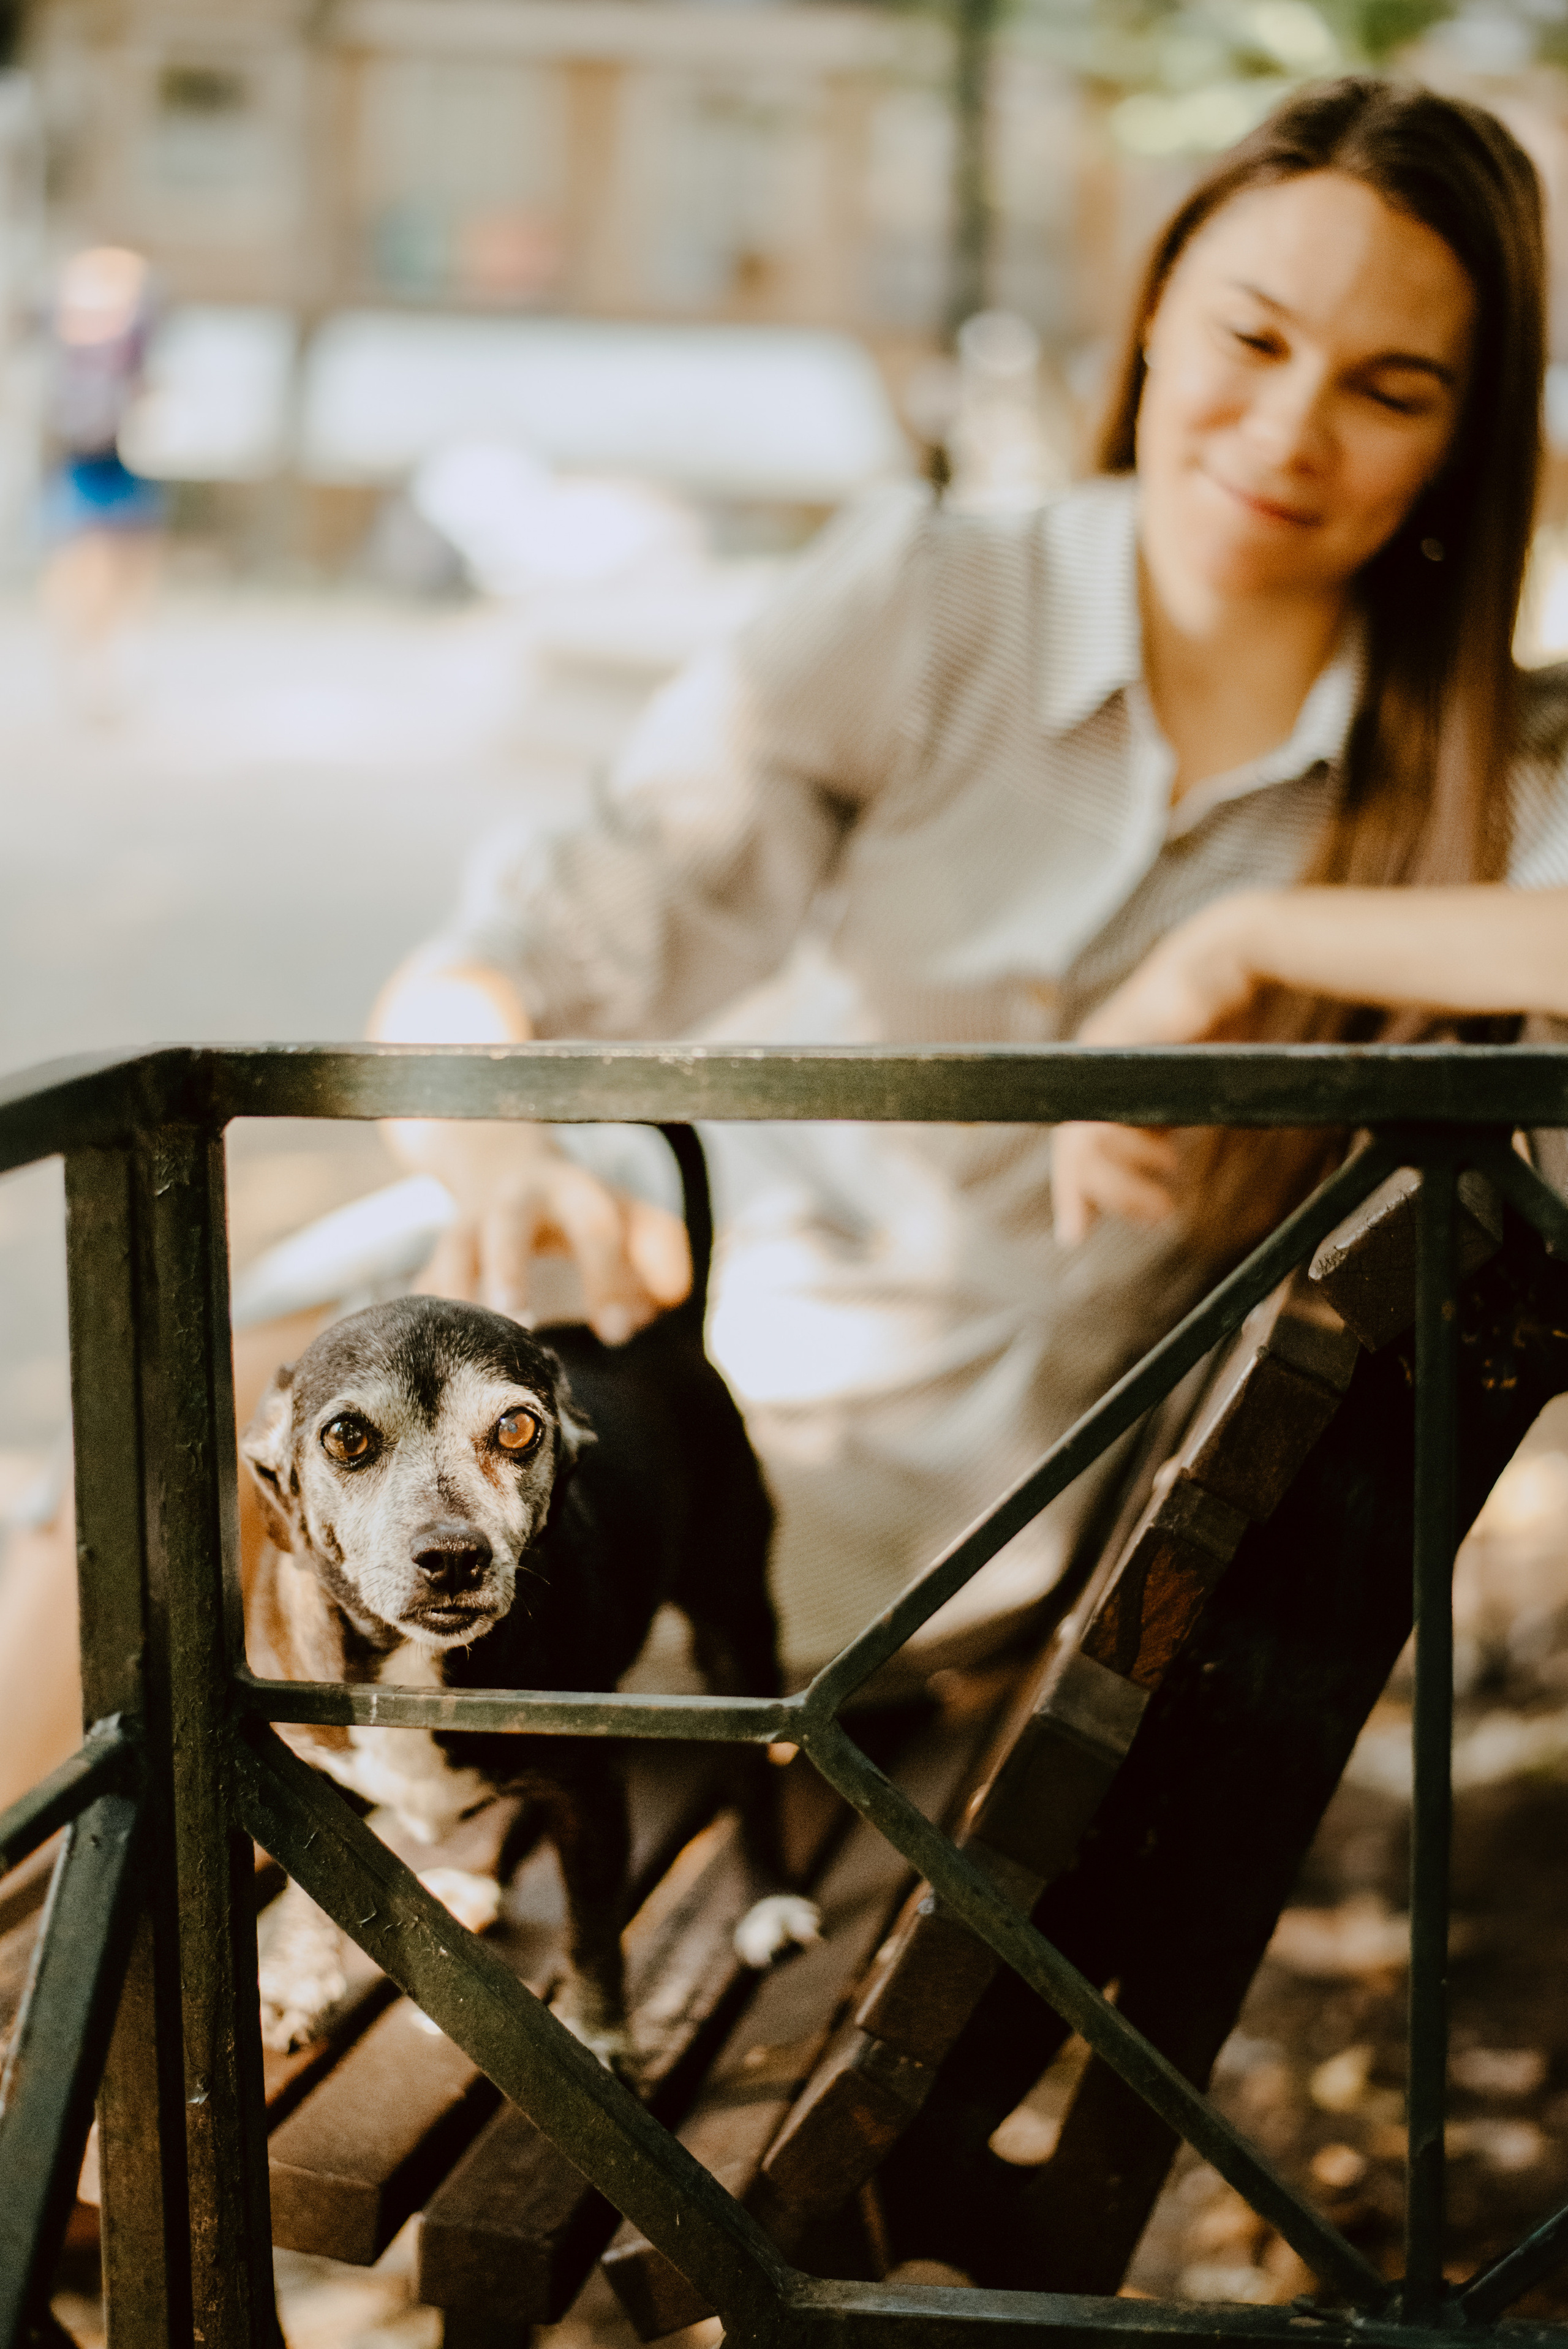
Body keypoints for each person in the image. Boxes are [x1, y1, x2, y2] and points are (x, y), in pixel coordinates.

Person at [7, 73, 1568, 1808]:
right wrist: (481, 1125)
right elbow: (539, 935)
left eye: (1390, 388)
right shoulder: (933, 596)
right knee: (161, 1434)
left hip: (875, 1500)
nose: (1289, 431)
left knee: (195, 1509)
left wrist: (1247, 933)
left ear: (1466, 437)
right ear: (1151, 321)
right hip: (630, 1301)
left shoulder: (1474, 786)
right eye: (1251, 338)